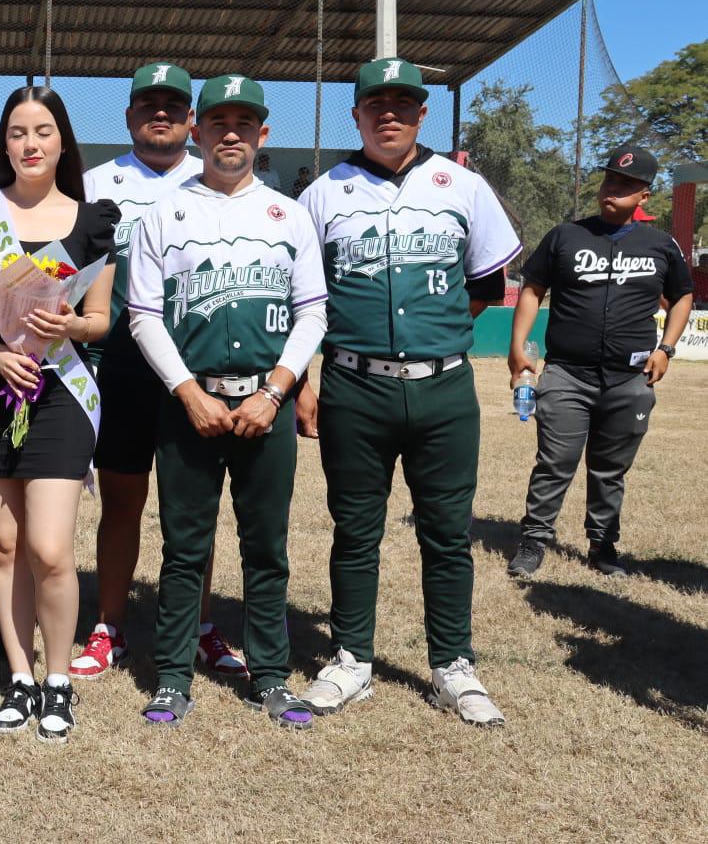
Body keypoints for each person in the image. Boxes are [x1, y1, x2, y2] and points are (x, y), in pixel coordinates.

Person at [296, 57, 520, 727]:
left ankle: (453, 665)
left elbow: (484, 287)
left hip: (444, 389)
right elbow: (306, 296)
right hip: (353, 388)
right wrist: (307, 381)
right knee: (355, 531)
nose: (389, 113)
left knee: (448, 536)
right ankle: (352, 660)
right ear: (357, 114)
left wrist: (433, 337)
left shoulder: (465, 186)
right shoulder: (323, 193)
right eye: (376, 104)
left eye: (403, 103)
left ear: (424, 114)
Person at [129, 75, 327, 729]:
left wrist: (276, 392)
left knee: (265, 546)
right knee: (184, 549)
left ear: (264, 134)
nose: (232, 133)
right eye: (219, 122)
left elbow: (312, 314)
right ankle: (173, 677)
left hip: (262, 407)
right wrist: (186, 392)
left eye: (245, 123)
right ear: (196, 130)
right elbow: (142, 315)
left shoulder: (289, 213)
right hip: (191, 406)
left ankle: (271, 675)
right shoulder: (164, 213)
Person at [0, 85, 116, 742]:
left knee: (50, 549)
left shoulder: (92, 221)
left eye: (43, 131)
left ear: (62, 140)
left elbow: (100, 317)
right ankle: (19, 676)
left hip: (60, 394)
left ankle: (58, 680)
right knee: (4, 545)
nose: (30, 144)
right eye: (17, 132)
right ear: (2, 143)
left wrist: (71, 326)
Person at [74, 62, 246, 683]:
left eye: (173, 105)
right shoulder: (96, 183)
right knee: (121, 501)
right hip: (122, 366)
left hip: (198, 373)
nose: (161, 114)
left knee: (192, 508)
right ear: (129, 117)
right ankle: (109, 627)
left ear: (191, 120)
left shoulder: (223, 182)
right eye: (149, 105)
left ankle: (196, 626)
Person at [507, 145, 693, 579]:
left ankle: (603, 546)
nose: (613, 189)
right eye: (610, 179)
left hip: (631, 377)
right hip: (568, 373)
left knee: (610, 468)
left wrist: (666, 348)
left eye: (626, 185)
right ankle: (534, 541)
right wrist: (519, 346)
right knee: (555, 462)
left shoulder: (661, 244)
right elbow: (532, 289)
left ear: (644, 195)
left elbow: (682, 294)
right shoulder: (565, 236)